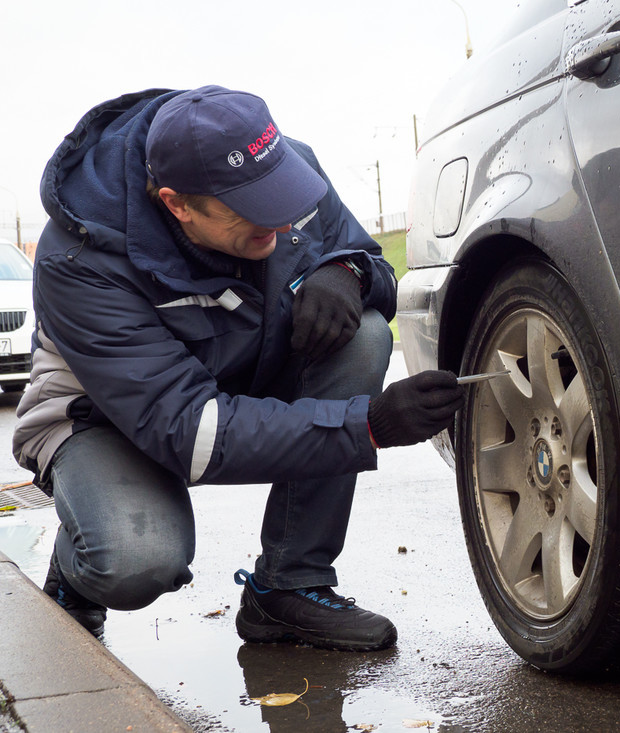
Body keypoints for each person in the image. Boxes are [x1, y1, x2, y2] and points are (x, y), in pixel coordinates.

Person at [11, 86, 464, 652]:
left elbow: (369, 260)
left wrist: (348, 272)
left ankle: (289, 587)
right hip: (107, 415)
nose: (276, 224)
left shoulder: (279, 166)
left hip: (240, 368)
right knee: (135, 560)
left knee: (364, 334)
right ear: (177, 203)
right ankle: (78, 572)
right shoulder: (80, 259)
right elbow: (188, 431)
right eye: (251, 215)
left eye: (283, 203)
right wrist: (369, 425)